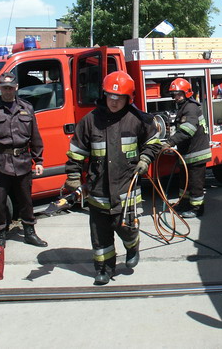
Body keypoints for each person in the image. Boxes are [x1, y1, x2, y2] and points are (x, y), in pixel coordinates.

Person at [64, 71, 161, 285]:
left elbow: (154, 142)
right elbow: (77, 150)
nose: (114, 102)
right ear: (104, 95)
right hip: (98, 188)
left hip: (127, 187)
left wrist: (145, 158)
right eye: (111, 97)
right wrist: (72, 174)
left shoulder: (138, 120)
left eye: (119, 98)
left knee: (125, 227)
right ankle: (104, 268)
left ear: (129, 98)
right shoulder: (90, 121)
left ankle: (132, 244)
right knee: (100, 233)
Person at [0, 72, 47, 248]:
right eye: (4, 87)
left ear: (16, 87)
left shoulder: (27, 108)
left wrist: (39, 160)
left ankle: (29, 231)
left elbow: (35, 136)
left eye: (10, 87)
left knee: (26, 200)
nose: (7, 91)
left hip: (23, 160)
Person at [162, 78, 212, 219]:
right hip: (188, 153)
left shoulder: (191, 107)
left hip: (197, 153)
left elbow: (187, 130)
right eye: (174, 95)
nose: (175, 97)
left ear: (186, 93)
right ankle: (184, 204)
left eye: (178, 94)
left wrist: (170, 142)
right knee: (184, 181)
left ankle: (197, 208)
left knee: (196, 183)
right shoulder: (183, 107)